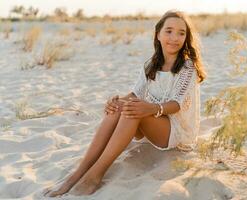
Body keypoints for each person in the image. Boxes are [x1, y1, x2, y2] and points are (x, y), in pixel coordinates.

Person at [44, 9, 206, 197]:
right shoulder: (151, 65)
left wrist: (151, 108)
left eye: (181, 33)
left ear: (186, 38)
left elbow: (176, 104)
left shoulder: (187, 67)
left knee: (133, 110)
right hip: (154, 120)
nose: (174, 38)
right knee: (122, 106)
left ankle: (94, 176)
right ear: (158, 34)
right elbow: (135, 93)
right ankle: (78, 173)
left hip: (177, 130)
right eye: (169, 31)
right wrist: (116, 101)